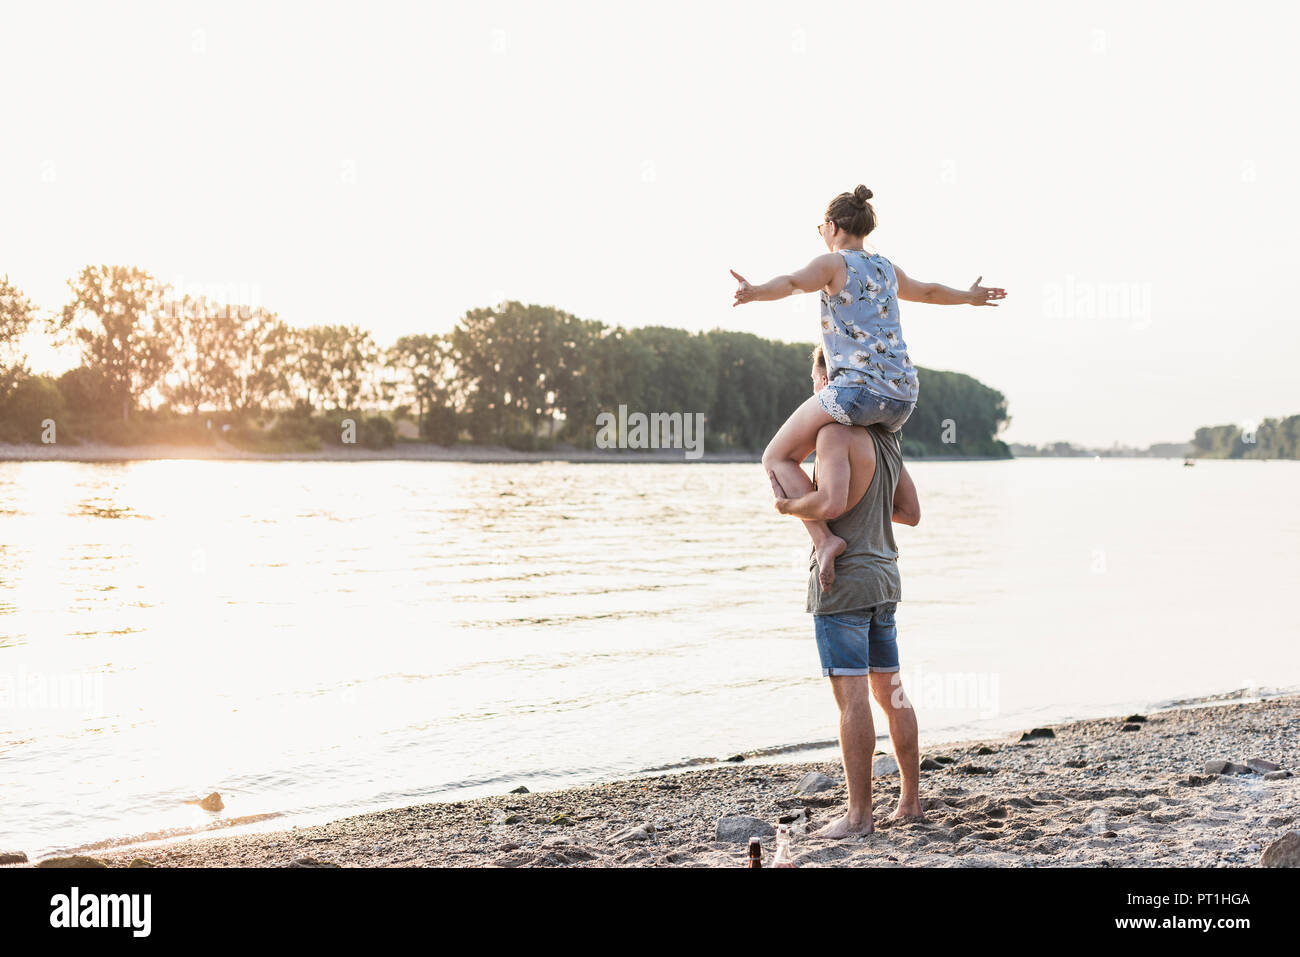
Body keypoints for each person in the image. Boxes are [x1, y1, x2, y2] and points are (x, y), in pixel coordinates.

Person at [732, 184, 1006, 590]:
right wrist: (969, 297)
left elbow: (791, 283)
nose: (821, 233)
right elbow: (929, 292)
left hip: (857, 391)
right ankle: (858, 513)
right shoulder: (886, 268)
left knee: (775, 457)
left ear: (834, 226)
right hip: (902, 397)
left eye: (821, 226)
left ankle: (825, 539)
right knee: (856, 448)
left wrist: (755, 292)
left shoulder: (831, 263)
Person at [768, 348, 924, 838]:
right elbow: (911, 512)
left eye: (815, 378)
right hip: (884, 577)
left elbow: (830, 501)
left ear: (828, 381)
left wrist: (789, 506)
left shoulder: (832, 432)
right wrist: (871, 513)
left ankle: (859, 817)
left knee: (851, 701)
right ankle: (910, 802)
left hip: (845, 582)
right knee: (891, 693)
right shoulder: (886, 440)